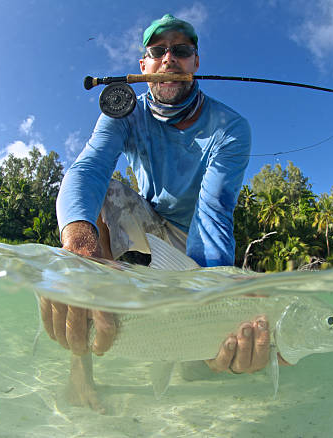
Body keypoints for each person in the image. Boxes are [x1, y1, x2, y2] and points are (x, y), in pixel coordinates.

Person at [40, 14, 281, 411]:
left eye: (181, 51)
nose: (169, 59)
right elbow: (88, 170)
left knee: (200, 363)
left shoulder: (231, 127)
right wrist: (79, 248)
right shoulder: (123, 113)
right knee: (102, 197)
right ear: (143, 67)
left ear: (195, 63)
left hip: (195, 240)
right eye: (158, 51)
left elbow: (214, 210)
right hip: (146, 225)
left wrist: (210, 300)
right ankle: (80, 368)